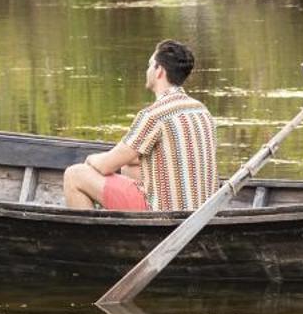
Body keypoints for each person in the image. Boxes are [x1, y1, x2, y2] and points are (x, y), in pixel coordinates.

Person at [63, 40, 217, 211]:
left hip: (166, 215)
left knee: (74, 175)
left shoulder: (154, 115)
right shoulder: (201, 110)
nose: (147, 70)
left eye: (150, 65)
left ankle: (90, 237)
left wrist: (91, 159)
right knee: (129, 166)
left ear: (159, 71)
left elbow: (106, 165)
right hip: (202, 213)